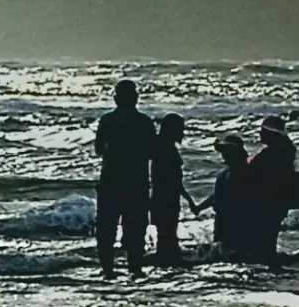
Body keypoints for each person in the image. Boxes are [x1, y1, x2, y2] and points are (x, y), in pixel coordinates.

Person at [94, 79, 156, 277]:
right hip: (136, 183)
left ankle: (108, 271)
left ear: (116, 99)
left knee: (106, 230)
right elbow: (152, 152)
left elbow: (98, 149)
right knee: (136, 230)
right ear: (136, 99)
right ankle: (135, 270)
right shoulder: (145, 122)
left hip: (110, 183)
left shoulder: (107, 121)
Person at [245, 115, 299, 265]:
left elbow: (250, 171)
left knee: (263, 237)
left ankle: (266, 263)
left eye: (263, 131)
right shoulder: (284, 152)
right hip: (276, 201)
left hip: (266, 201)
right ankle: (269, 262)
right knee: (269, 236)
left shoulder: (270, 154)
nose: (260, 134)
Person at [150, 113, 199, 266]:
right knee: (167, 235)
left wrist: (188, 200)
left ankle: (166, 263)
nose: (182, 133)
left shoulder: (161, 146)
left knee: (166, 236)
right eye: (180, 130)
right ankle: (168, 264)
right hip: (166, 199)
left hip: (161, 198)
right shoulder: (166, 150)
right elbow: (173, 181)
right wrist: (190, 201)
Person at [195, 135, 249, 257]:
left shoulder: (246, 174)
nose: (224, 157)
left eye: (227, 153)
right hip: (222, 219)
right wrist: (200, 207)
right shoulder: (224, 175)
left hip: (237, 220)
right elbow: (216, 196)